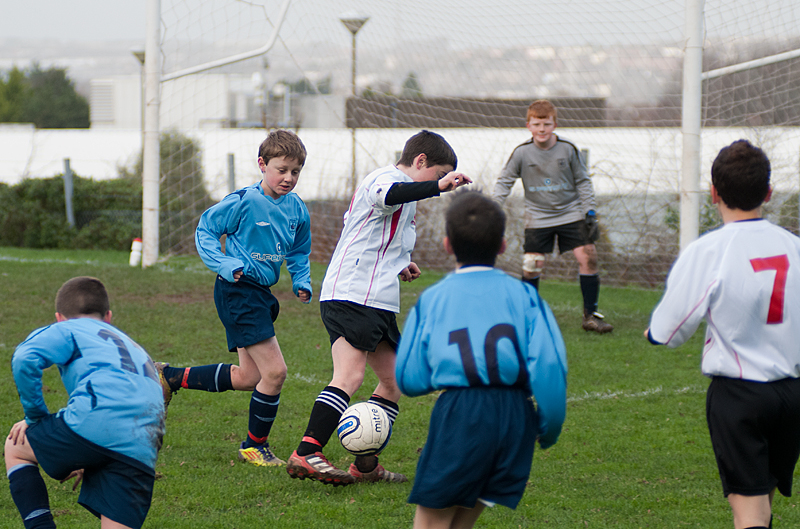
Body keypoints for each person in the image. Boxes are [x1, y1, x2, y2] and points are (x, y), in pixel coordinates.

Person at [286, 129, 472, 486]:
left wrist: (401, 261)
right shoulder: (383, 178)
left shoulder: (408, 195)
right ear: (420, 161)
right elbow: (388, 196)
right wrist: (437, 186)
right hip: (353, 293)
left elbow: (372, 231)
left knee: (395, 379)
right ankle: (307, 451)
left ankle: (365, 465)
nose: (439, 182)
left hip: (376, 299)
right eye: (437, 174)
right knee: (350, 376)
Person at [645, 140, 800, 529]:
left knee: (750, 515)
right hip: (791, 393)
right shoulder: (794, 246)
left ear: (713, 193)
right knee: (763, 503)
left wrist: (652, 332)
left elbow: (668, 332)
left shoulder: (709, 250)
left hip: (740, 396)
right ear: (768, 192)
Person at [395, 191, 567, 528]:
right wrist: (548, 428)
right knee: (461, 521)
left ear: (447, 244)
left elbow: (409, 378)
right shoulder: (527, 297)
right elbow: (549, 367)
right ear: (502, 245)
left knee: (431, 522)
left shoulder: (434, 299)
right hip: (515, 416)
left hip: (463, 413)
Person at [157, 129, 312, 467]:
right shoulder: (244, 201)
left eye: (295, 171)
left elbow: (299, 251)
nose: (288, 178)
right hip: (238, 290)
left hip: (261, 294)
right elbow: (206, 230)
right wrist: (225, 263)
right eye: (281, 169)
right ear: (262, 165)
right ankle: (254, 446)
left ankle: (170, 377)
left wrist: (302, 280)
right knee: (276, 372)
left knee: (249, 378)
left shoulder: (297, 209)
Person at [5, 276, 166, 529]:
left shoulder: (67, 328)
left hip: (95, 421)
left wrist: (35, 418)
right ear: (108, 317)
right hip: (145, 441)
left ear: (59, 318)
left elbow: (25, 358)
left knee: (16, 444)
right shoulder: (134, 346)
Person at [493, 99, 612, 333]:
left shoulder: (567, 149)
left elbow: (583, 181)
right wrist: (494, 209)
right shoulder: (521, 153)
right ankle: (528, 316)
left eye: (546, 124)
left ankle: (590, 316)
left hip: (571, 213)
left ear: (554, 124)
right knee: (532, 265)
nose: (542, 129)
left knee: (588, 257)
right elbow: (504, 181)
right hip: (537, 216)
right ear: (528, 125)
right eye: (537, 124)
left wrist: (590, 211)